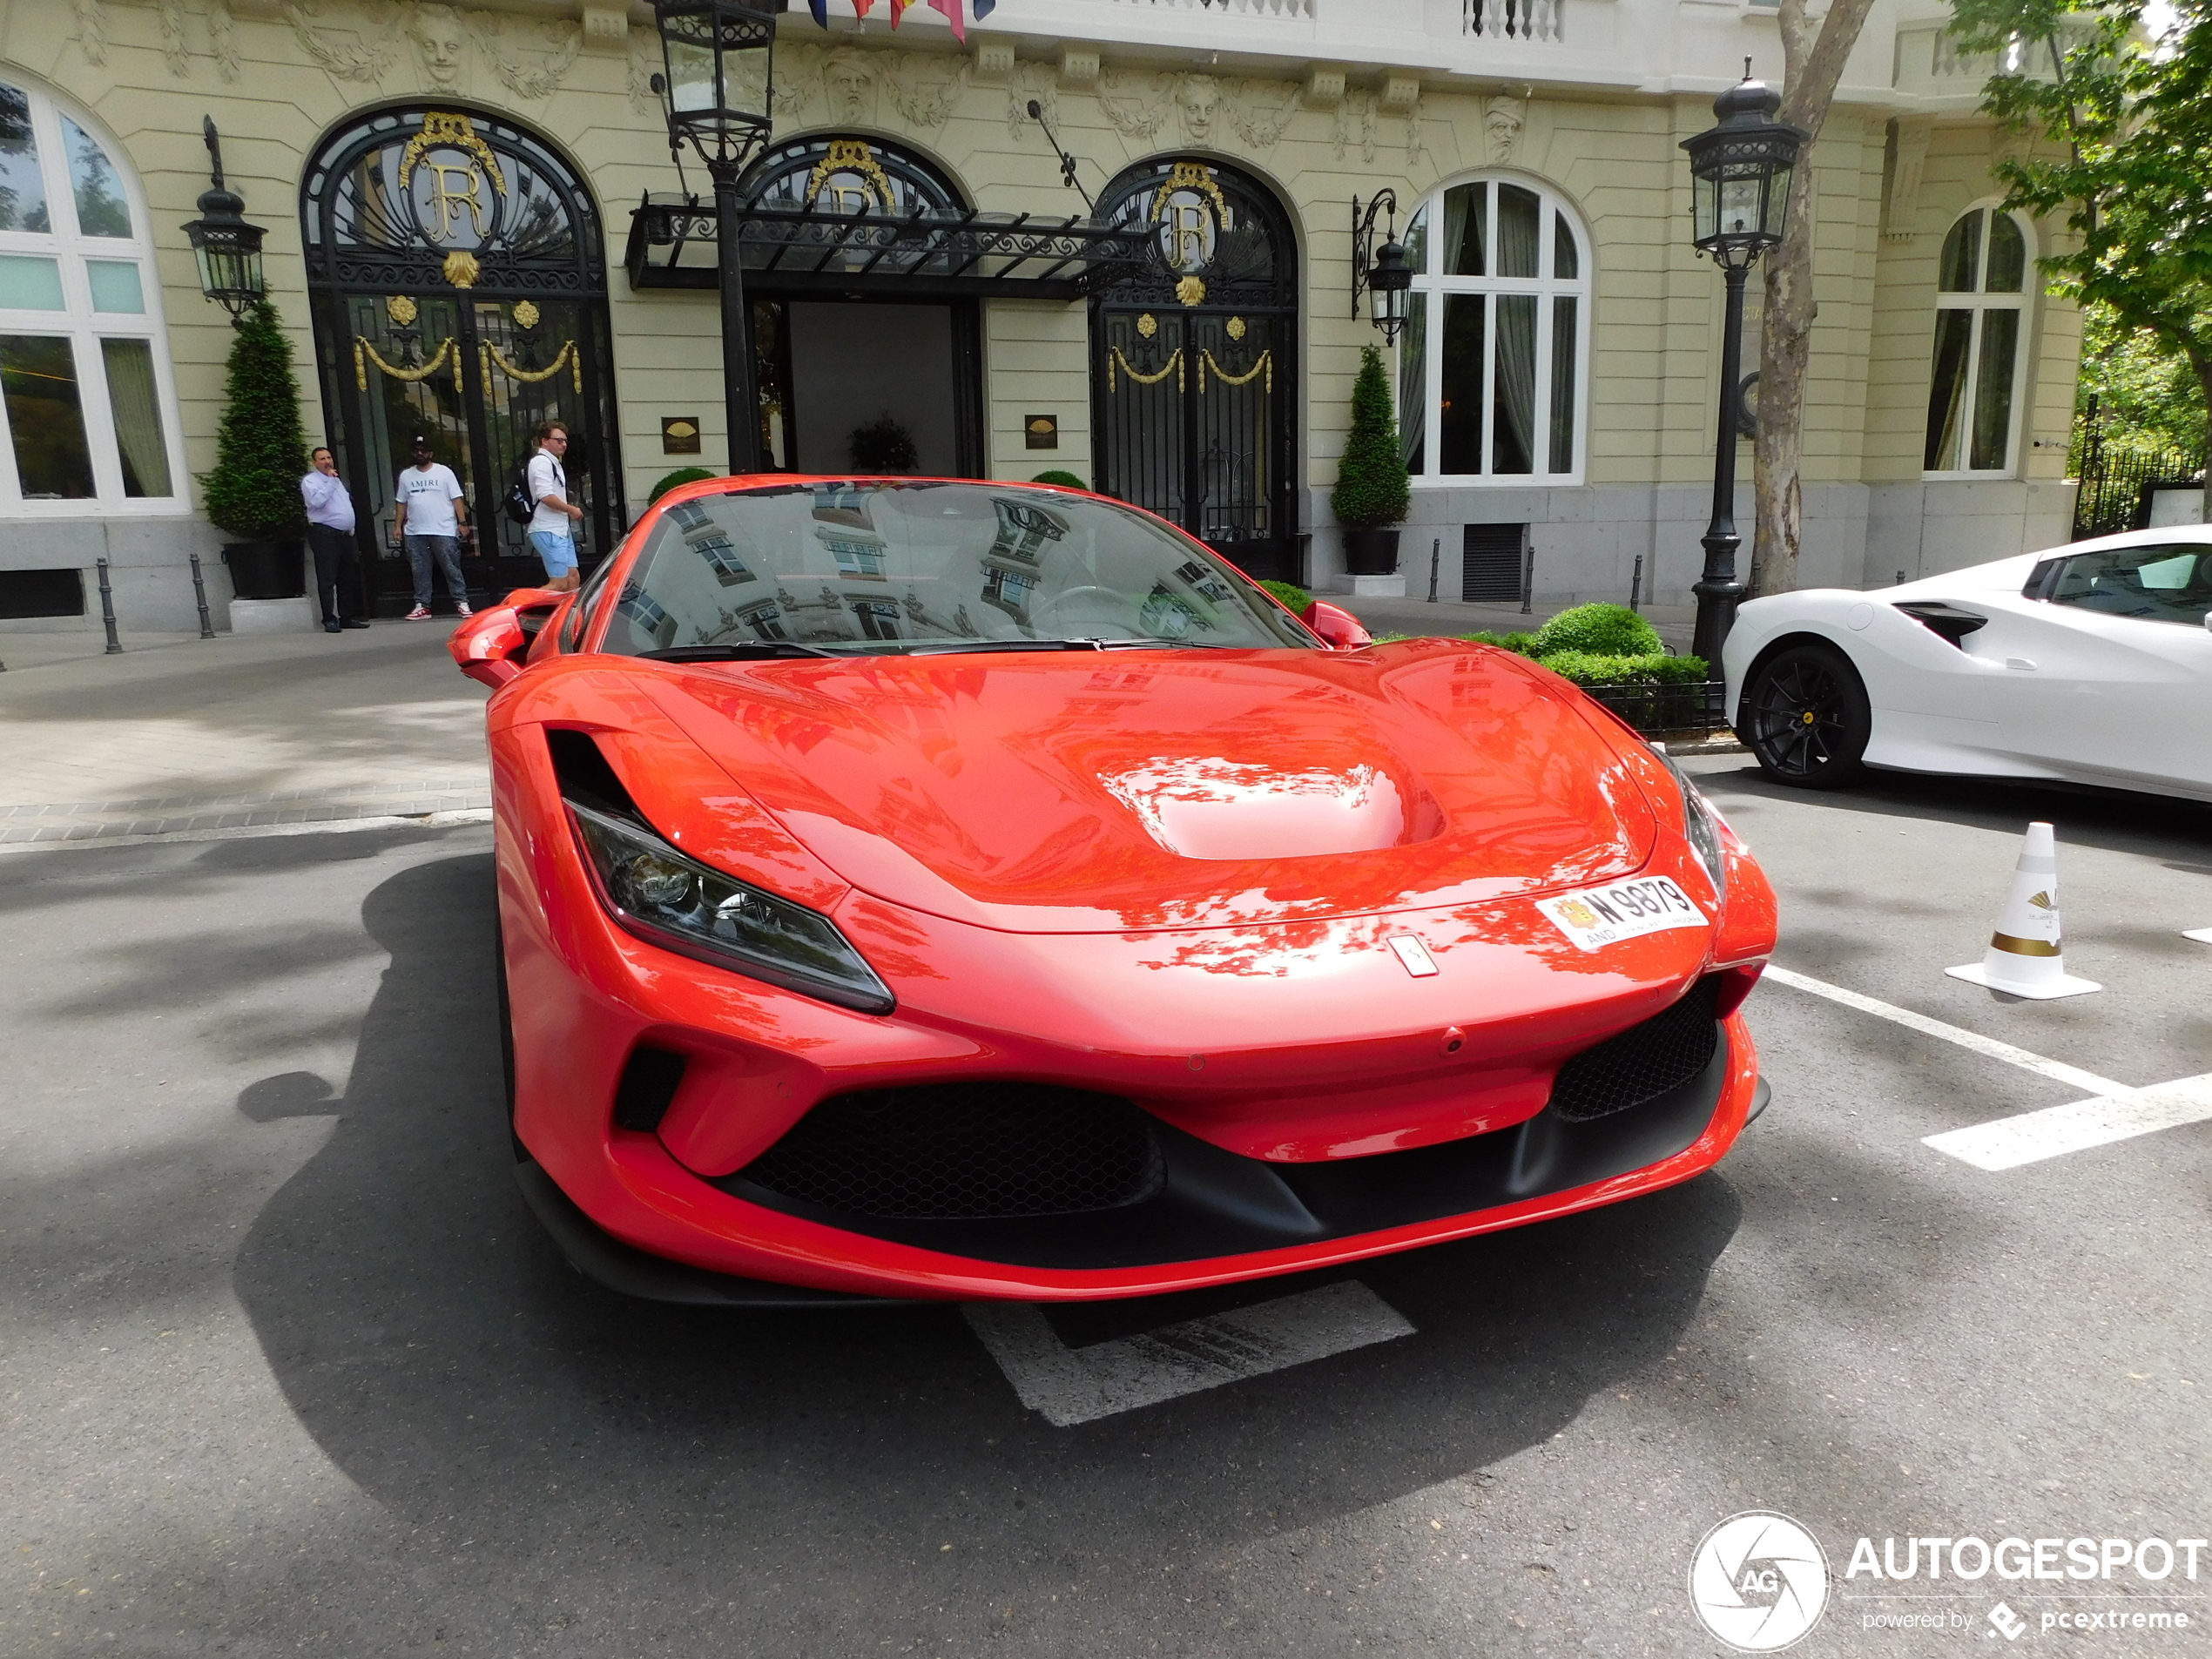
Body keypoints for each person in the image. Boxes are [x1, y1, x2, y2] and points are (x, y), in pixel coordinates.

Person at [393, 435, 472, 621]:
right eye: (416, 451)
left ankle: (461, 602)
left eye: (423, 451)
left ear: (431, 453)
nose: (420, 454)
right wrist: (398, 526)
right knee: (419, 569)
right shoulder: (406, 475)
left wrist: (462, 522)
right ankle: (422, 605)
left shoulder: (444, 473)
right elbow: (401, 503)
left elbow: (456, 498)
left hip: (443, 529)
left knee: (451, 567)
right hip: (415, 531)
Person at [300, 446, 368, 633]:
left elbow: (344, 504)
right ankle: (329, 618)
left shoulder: (337, 481)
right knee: (328, 578)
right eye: (322, 459)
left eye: (329, 457)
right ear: (315, 463)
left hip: (344, 535)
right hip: (325, 534)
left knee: (347, 577)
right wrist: (330, 481)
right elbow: (316, 502)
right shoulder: (311, 481)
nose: (327, 461)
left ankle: (347, 616)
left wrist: (350, 526)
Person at [524, 421, 586, 593]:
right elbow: (545, 496)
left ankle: (568, 617)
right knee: (559, 584)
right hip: (547, 528)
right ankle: (519, 607)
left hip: (559, 528)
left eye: (565, 441)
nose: (564, 444)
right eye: (559, 440)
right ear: (544, 441)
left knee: (573, 578)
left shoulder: (553, 463)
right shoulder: (542, 463)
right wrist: (571, 509)